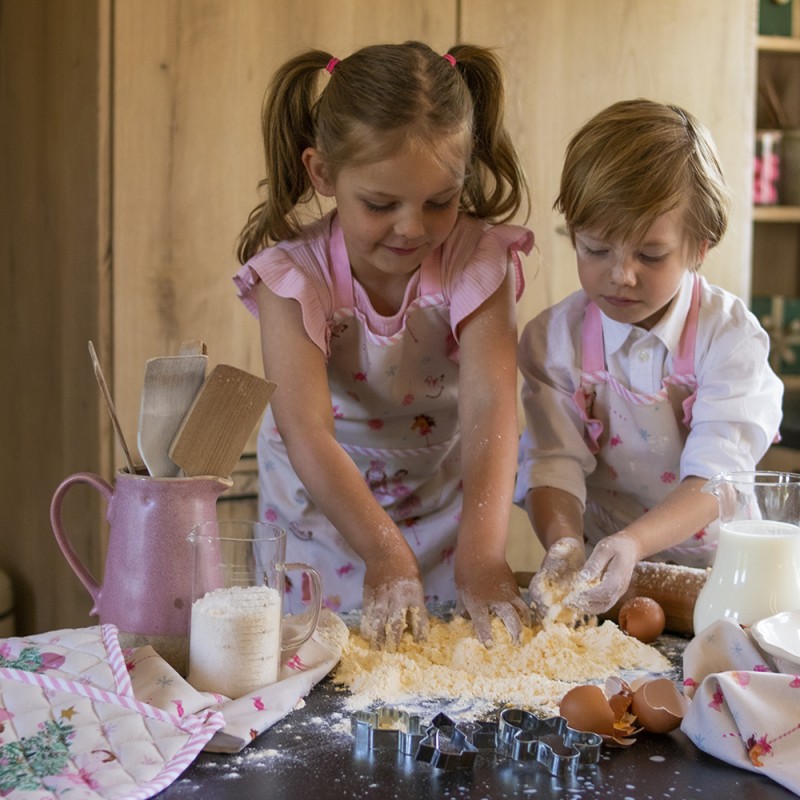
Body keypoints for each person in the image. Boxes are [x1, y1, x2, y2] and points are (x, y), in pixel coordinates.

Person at [233, 41, 534, 649]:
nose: (412, 227)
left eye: (439, 201)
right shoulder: (293, 277)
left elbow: (491, 408)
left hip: (441, 506)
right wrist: (384, 554)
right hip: (323, 516)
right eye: (380, 203)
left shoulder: (478, 261)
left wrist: (481, 555)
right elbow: (306, 430)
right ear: (322, 174)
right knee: (332, 671)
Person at [515, 98, 783, 621]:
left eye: (650, 255)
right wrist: (566, 544)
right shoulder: (555, 340)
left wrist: (635, 542)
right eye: (596, 249)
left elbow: (717, 477)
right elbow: (554, 464)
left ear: (700, 247)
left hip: (718, 576)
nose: (622, 275)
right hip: (604, 577)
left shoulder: (728, 337)